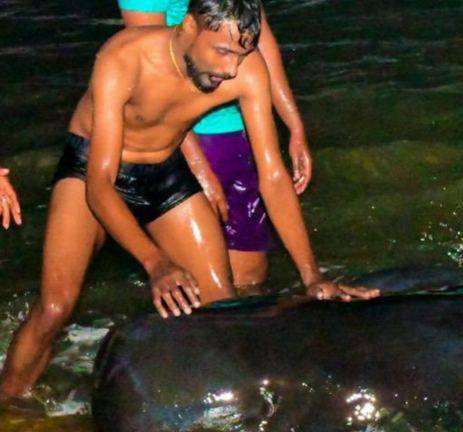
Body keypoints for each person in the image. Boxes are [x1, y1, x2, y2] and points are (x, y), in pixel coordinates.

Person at [0, 0, 378, 400]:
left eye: (241, 54)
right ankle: (8, 402)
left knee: (222, 309)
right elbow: (100, 183)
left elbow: (273, 177)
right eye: (223, 52)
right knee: (55, 308)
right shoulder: (123, 56)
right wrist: (156, 262)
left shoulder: (247, 71)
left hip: (164, 172)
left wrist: (312, 276)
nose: (230, 69)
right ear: (189, 27)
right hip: (91, 170)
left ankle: (207, 408)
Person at [120, 0, 311, 293]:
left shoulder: (246, 71)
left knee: (249, 279)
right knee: (203, 285)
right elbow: (151, 71)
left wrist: (294, 125)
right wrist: (199, 169)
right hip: (171, 142)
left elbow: (261, 40)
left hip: (235, 129)